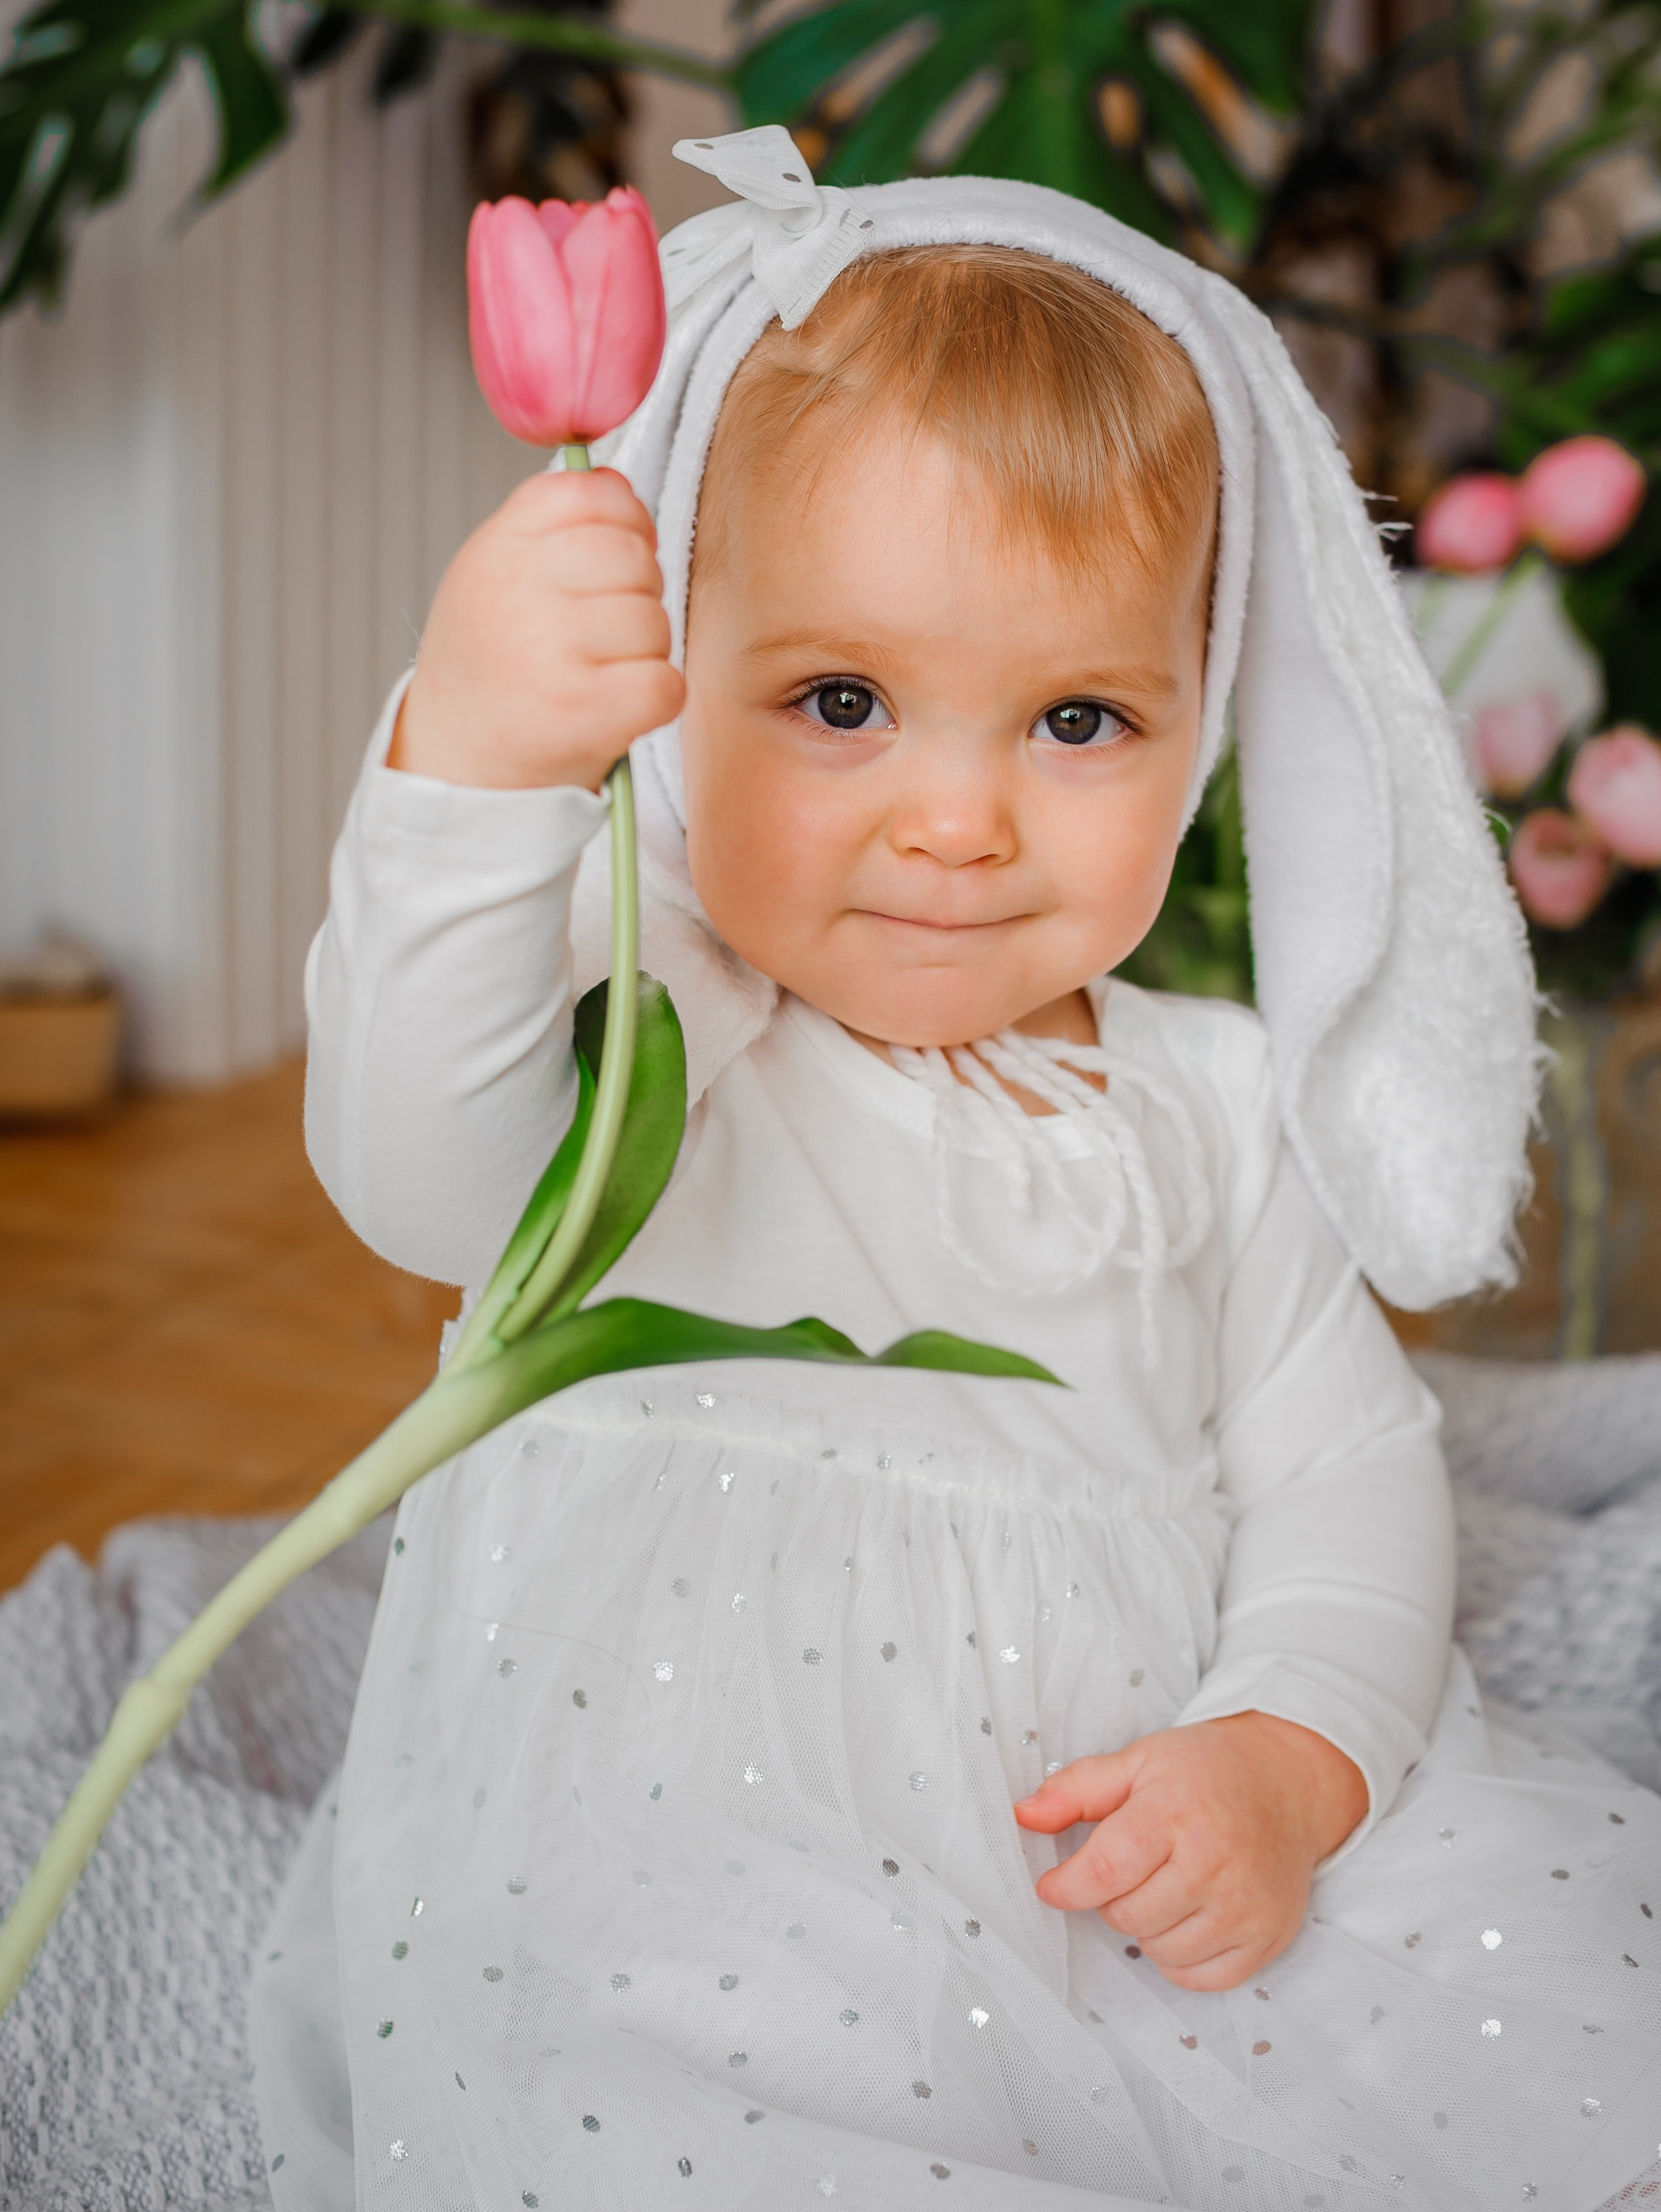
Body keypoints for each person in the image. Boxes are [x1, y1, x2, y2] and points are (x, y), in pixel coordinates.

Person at [250, 130, 1660, 2212]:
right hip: (680, 1848)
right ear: (671, 697)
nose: (958, 822)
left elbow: (1348, 1488)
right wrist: (467, 780)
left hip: (1121, 1870)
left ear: (1204, 732)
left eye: (1077, 720)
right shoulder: (656, 1018)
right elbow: (418, 1177)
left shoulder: (1207, 1105)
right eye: (842, 701)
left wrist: (1281, 1760)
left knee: (1493, 2046)